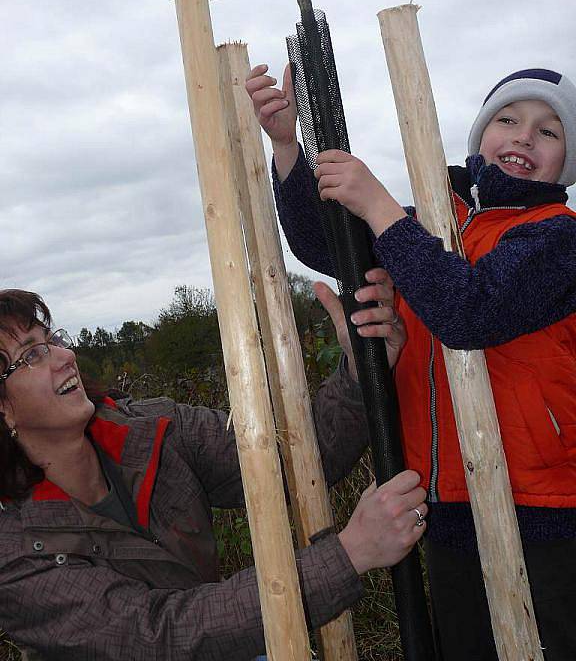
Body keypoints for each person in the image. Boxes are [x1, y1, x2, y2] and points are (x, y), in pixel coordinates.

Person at [246, 64, 576, 660]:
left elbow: (470, 313)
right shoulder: (432, 224)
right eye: (508, 120)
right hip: (444, 500)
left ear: (566, 163)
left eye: (548, 131)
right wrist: (288, 145)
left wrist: (377, 203)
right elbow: (325, 245)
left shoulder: (558, 238)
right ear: (480, 137)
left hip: (545, 511)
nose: (524, 136)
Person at [0, 286, 426, 660]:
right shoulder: (14, 550)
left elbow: (290, 465)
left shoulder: (153, 433)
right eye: (32, 355)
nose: (65, 356)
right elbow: (161, 637)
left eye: (52, 340)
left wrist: (360, 370)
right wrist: (348, 554)